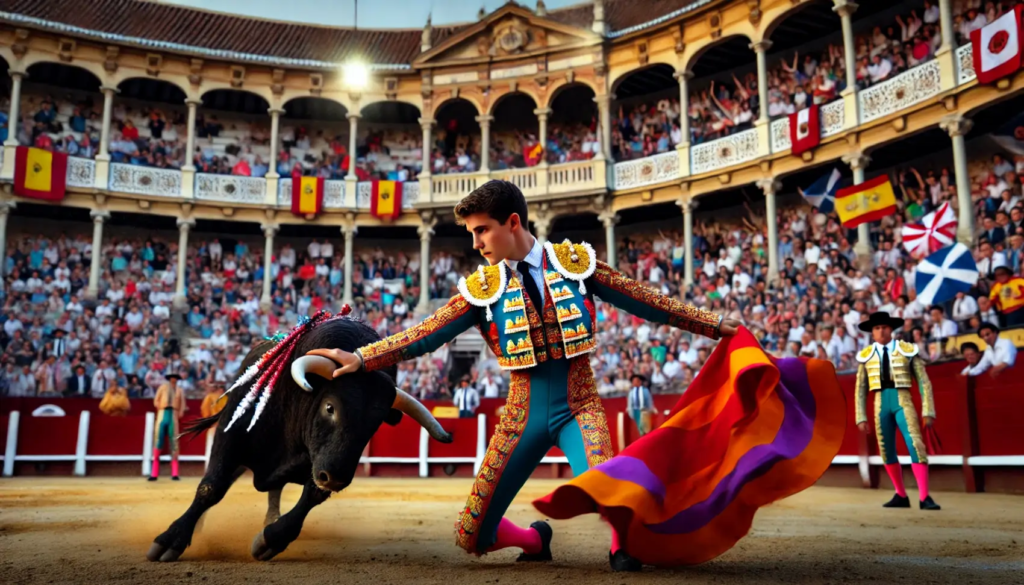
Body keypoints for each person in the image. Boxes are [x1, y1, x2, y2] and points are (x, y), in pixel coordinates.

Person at [307, 180, 740, 572]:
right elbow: (424, 335)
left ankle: (621, 546)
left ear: (512, 222)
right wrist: (364, 357)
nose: (476, 243)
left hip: (580, 403)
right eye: (472, 233)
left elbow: (643, 299)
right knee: (472, 535)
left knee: (611, 489)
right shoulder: (482, 289)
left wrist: (711, 324)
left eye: (482, 230)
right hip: (520, 415)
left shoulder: (574, 262)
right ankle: (535, 540)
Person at [855, 312, 940, 511]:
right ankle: (900, 495)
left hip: (903, 399)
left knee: (915, 444)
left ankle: (924, 496)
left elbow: (923, 381)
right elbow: (860, 388)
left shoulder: (907, 350)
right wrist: (861, 416)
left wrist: (928, 410)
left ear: (891, 329)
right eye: (877, 328)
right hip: (879, 402)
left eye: (884, 327)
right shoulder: (866, 355)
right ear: (872, 333)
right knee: (886, 449)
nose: (881, 331)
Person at [150, 373, 186, 481]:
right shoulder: (163, 388)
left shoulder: (180, 390)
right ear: (169, 379)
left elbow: (182, 404)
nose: (173, 379)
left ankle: (175, 474)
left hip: (173, 416)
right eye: (172, 378)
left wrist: (180, 413)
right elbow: (156, 400)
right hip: (162, 414)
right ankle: (154, 474)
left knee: (174, 443)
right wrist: (161, 406)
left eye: (175, 378)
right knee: (158, 441)